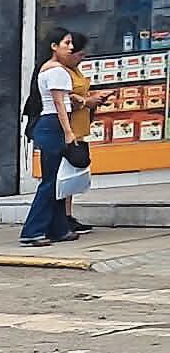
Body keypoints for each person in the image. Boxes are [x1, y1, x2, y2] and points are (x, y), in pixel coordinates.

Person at [21, 30, 87, 248]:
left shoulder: (46, 69)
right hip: (54, 125)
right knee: (51, 182)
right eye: (66, 43)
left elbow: (59, 97)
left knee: (58, 180)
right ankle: (32, 231)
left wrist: (74, 97)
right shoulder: (58, 70)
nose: (70, 47)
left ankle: (59, 229)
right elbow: (59, 104)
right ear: (53, 46)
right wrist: (69, 132)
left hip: (49, 124)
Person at [56, 34, 116, 234]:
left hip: (80, 125)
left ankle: (67, 215)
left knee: (73, 174)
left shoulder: (75, 70)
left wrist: (94, 99)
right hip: (68, 127)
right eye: (79, 54)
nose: (82, 58)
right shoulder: (60, 72)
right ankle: (61, 217)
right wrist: (87, 102)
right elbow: (65, 98)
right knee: (65, 174)